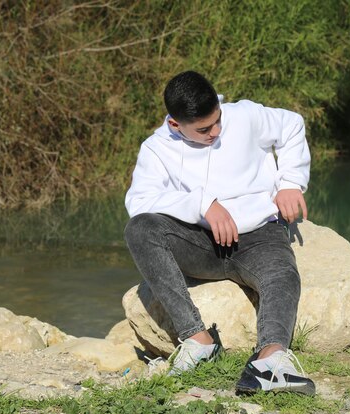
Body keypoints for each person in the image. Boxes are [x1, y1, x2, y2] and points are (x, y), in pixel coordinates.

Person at [124, 70, 315, 395]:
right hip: (200, 243)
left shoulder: (244, 115)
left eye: (217, 121)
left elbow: (292, 125)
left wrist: (290, 183)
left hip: (259, 236)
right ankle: (198, 342)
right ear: (175, 124)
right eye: (203, 129)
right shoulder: (156, 149)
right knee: (140, 229)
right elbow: (139, 201)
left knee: (283, 275)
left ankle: (269, 362)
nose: (215, 131)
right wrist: (203, 205)